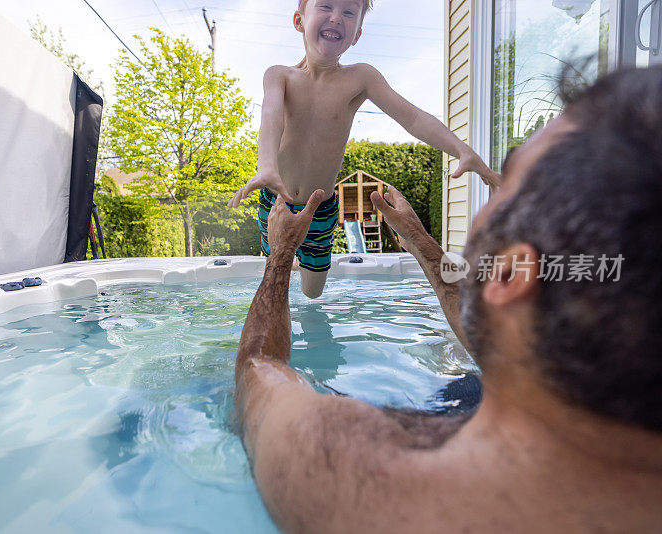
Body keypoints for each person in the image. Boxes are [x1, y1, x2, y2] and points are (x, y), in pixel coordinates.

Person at [233, 66, 662, 533]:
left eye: (505, 183)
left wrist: (279, 258)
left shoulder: (358, 475)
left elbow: (256, 369)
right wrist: (417, 237)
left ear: (510, 274)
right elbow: (486, 332)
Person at [227, 0, 500, 299]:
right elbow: (270, 116)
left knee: (312, 295)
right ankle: (289, 265)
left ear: (356, 33)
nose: (336, 17)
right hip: (276, 202)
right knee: (275, 278)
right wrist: (266, 165)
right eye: (326, 7)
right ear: (299, 21)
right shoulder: (279, 75)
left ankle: (303, 265)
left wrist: (460, 149)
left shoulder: (360, 78)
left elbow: (412, 117)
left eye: (348, 12)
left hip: (320, 208)